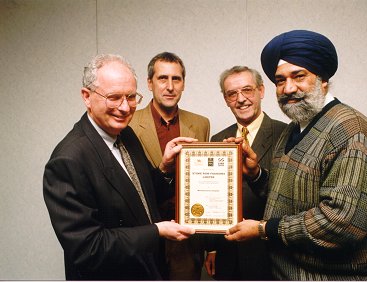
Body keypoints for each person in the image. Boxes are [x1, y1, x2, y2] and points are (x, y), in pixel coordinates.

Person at [224, 30, 367, 280]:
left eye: (299, 76)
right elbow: (287, 198)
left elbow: (341, 223)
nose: (288, 88)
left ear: (323, 79)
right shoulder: (293, 129)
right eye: (280, 80)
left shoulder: (351, 129)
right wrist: (255, 174)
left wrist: (263, 229)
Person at [43, 53, 197, 280]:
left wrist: (164, 167)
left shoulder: (125, 134)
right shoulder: (68, 161)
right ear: (87, 96)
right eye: (114, 97)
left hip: (148, 270)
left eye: (131, 97)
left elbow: (142, 196)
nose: (125, 108)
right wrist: (157, 232)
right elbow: (89, 249)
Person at [130, 51, 210, 280]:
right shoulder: (129, 124)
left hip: (186, 238)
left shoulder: (200, 124)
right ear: (149, 83)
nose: (170, 86)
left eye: (176, 79)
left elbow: (204, 185)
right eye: (162, 78)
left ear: (183, 84)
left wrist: (210, 244)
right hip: (145, 233)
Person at [204, 66, 286, 280]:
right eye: (232, 94)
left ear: (261, 91)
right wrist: (212, 247)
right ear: (226, 99)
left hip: (269, 253)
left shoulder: (286, 135)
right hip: (228, 252)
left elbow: (288, 197)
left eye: (247, 90)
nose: (241, 99)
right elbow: (214, 198)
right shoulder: (217, 140)